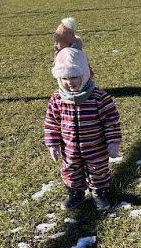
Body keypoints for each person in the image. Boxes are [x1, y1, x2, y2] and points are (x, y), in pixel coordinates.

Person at [44, 48, 121, 210]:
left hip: (95, 147)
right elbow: (52, 122)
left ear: (84, 74)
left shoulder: (99, 97)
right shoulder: (57, 99)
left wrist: (113, 142)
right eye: (64, 78)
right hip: (70, 148)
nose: (69, 82)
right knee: (71, 170)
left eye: (73, 77)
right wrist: (53, 143)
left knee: (98, 169)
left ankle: (99, 191)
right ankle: (75, 192)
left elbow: (111, 121)